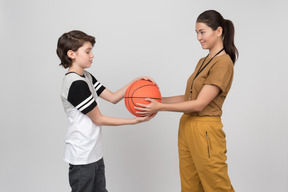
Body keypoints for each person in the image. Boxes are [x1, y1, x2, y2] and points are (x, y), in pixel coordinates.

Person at [136, 10, 238, 192]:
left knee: (217, 186)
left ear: (219, 31)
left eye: (202, 32)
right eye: (196, 33)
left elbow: (200, 104)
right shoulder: (203, 60)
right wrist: (157, 100)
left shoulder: (223, 63)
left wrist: (161, 107)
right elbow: (190, 97)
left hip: (205, 129)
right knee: (190, 186)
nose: (199, 37)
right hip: (187, 125)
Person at [57, 30, 153, 192]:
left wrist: (135, 83)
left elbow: (114, 97)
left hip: (94, 154)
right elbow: (99, 119)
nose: (92, 55)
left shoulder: (86, 77)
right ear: (71, 54)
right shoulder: (75, 84)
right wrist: (134, 121)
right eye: (87, 51)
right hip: (82, 156)